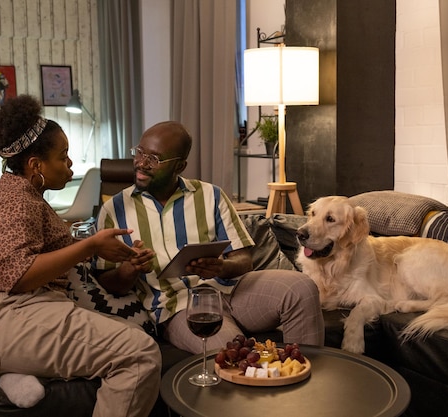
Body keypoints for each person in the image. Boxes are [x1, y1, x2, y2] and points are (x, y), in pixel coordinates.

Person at [0, 95, 161, 417]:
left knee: (129, 334)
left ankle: (16, 368)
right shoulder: (16, 202)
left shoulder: (19, 195)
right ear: (36, 165)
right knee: (139, 353)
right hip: (1, 316)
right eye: (63, 157)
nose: (71, 165)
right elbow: (18, 276)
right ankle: (7, 361)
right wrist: (89, 246)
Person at [94, 121, 325, 354]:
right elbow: (106, 282)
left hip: (233, 292)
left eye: (154, 159)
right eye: (140, 152)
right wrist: (128, 270)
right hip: (178, 305)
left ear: (180, 166)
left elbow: (244, 260)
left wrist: (221, 267)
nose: (141, 163)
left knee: (301, 287)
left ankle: (305, 379)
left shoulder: (210, 195)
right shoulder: (114, 209)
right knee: (235, 352)